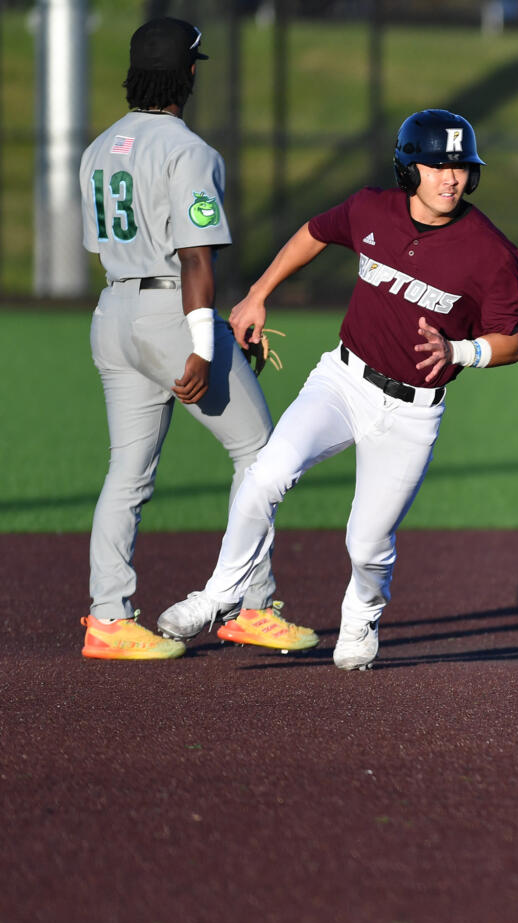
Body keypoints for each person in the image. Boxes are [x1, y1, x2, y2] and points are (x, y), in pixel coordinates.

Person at [157, 109, 518, 668]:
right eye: (436, 165)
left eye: (460, 166)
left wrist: (460, 351)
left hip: (412, 413)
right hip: (342, 380)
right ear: (409, 168)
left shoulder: (491, 252)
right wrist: (258, 293)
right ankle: (218, 596)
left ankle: (361, 614)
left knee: (367, 546)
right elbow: (314, 232)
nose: (450, 177)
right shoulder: (370, 208)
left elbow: (512, 341)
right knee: (266, 476)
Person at [78, 16, 315, 661]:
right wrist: (205, 347)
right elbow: (194, 260)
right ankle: (252, 604)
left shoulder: (97, 149)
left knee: (126, 475)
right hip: (171, 314)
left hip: (112, 313)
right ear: (187, 74)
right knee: (261, 455)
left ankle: (107, 618)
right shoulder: (188, 150)